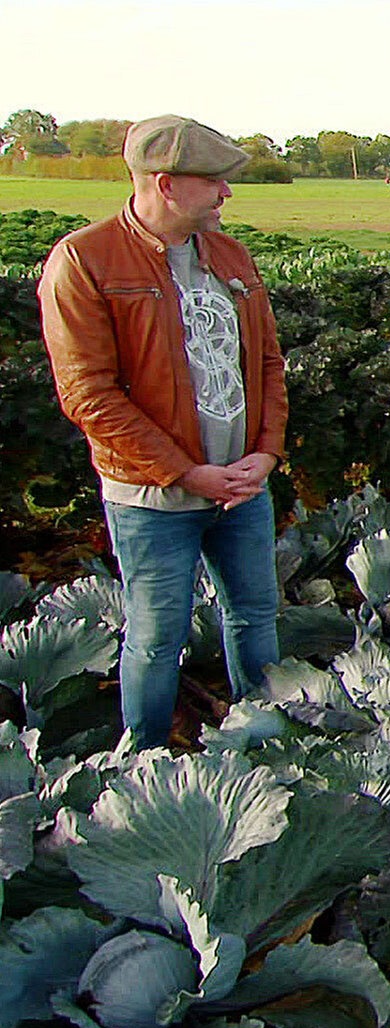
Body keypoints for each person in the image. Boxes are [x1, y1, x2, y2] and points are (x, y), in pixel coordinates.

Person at [39, 115, 288, 749]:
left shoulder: (231, 256)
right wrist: (185, 472)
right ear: (167, 184)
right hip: (153, 500)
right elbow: (88, 395)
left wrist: (265, 453)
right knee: (156, 637)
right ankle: (142, 764)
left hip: (242, 489)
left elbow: (266, 364)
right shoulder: (84, 261)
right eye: (215, 182)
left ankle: (274, 746)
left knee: (256, 618)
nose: (227, 194)